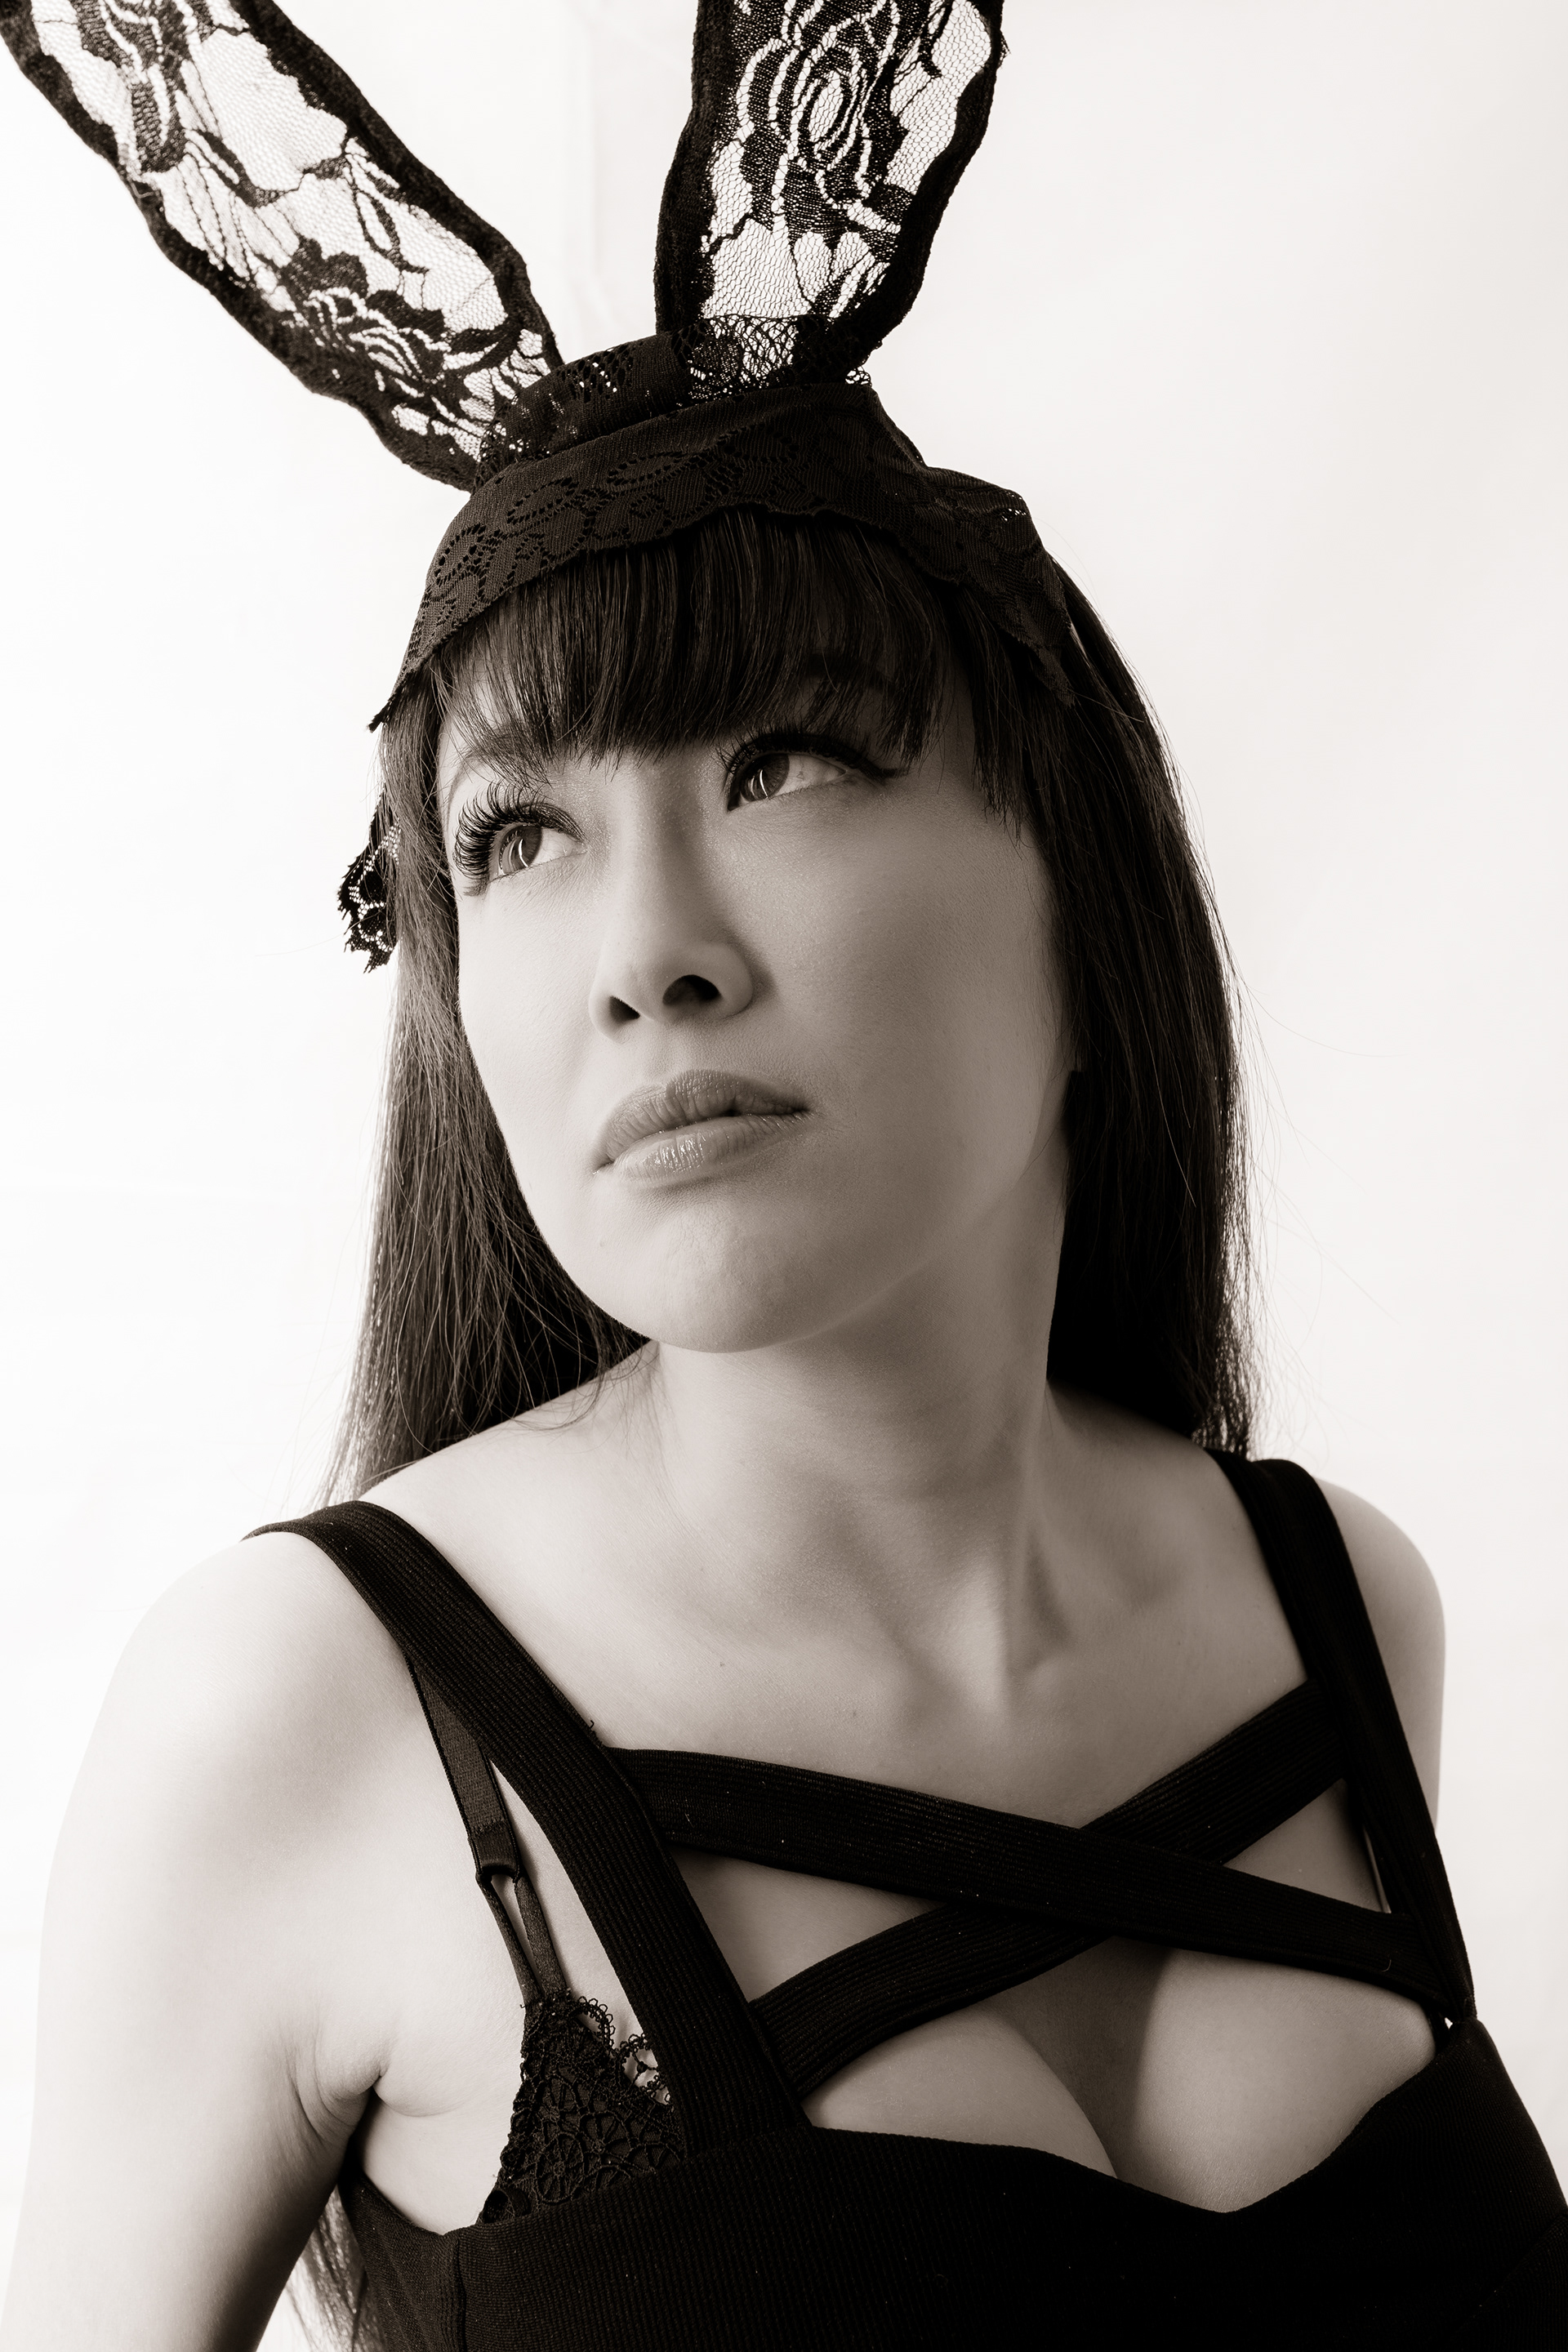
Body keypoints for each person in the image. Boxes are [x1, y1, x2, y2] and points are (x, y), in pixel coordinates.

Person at [2, 4, 1562, 2345]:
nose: (647, 955)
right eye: (516, 838)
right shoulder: (310, 1715)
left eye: (787, 763)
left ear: (1078, 877)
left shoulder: (1337, 1610)